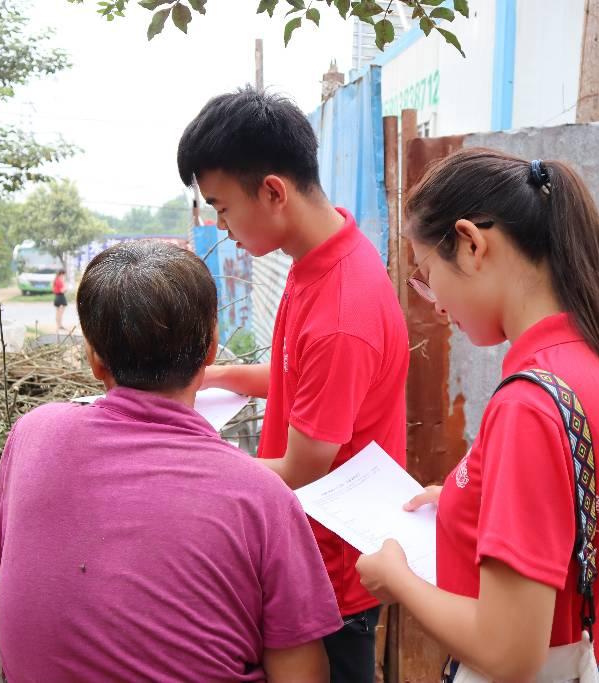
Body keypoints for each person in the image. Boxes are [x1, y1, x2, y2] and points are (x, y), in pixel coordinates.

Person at [356, 150, 599, 683]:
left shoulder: (528, 406)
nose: (435, 304)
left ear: (473, 244)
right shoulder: (587, 361)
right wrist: (461, 499)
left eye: (427, 275)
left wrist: (397, 579)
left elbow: (508, 653)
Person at [0, 240, 340, 683]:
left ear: (95, 358)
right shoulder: (262, 495)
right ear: (212, 348)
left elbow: (3, 568)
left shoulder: (32, 434)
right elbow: (302, 675)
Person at [178, 87, 410, 683]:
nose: (223, 228)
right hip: (306, 547)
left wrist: (190, 465)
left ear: (273, 191)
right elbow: (296, 377)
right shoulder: (319, 257)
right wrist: (222, 376)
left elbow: (305, 465)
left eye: (223, 207)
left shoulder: (341, 310)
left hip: (330, 571)